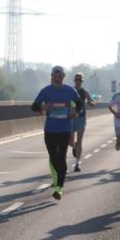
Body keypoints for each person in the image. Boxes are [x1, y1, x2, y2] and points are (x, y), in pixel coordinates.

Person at [31, 66, 81, 200]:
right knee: (53, 156)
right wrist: (42, 107)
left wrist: (75, 112)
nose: (58, 78)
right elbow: (34, 106)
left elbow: (79, 103)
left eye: (60, 76)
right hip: (50, 130)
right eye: (55, 76)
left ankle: (59, 188)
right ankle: (57, 177)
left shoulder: (70, 90)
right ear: (52, 76)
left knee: (62, 156)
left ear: (63, 76)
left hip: (65, 130)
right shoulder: (46, 91)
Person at [71, 72, 96, 172]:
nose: (78, 82)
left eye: (80, 80)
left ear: (82, 81)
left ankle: (77, 164)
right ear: (74, 80)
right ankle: (74, 146)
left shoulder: (84, 92)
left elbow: (94, 103)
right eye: (77, 80)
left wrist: (90, 102)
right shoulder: (69, 91)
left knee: (80, 140)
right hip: (71, 118)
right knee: (70, 140)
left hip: (81, 118)